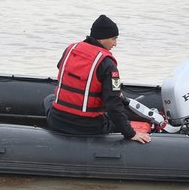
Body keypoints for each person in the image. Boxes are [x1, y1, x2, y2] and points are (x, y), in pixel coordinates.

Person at [45, 15, 151, 144]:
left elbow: (62, 69)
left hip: (57, 121)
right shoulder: (107, 64)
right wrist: (131, 133)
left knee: (49, 99)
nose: (115, 44)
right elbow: (113, 105)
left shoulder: (70, 49)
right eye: (113, 39)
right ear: (101, 38)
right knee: (115, 118)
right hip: (87, 127)